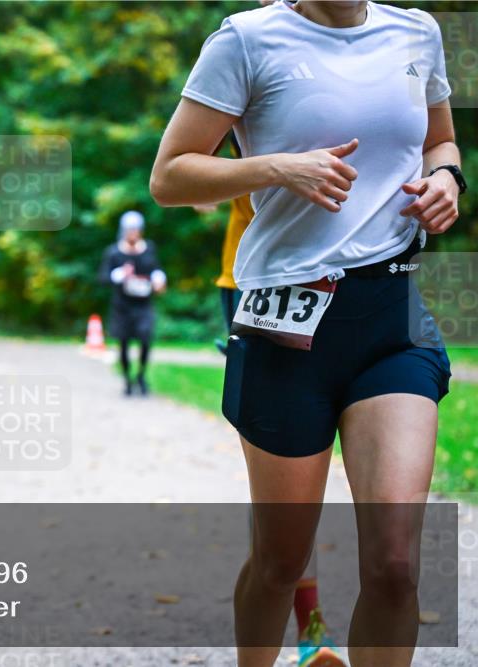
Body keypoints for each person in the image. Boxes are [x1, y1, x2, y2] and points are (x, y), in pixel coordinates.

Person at [151, 1, 462, 666]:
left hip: (391, 316)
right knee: (281, 560)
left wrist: (446, 177)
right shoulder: (247, 39)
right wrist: (277, 167)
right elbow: (169, 176)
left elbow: (441, 140)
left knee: (396, 563)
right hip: (285, 325)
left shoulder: (416, 31)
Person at [206, 131, 346, 667]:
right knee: (283, 471)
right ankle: (308, 625)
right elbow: (188, 184)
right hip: (257, 283)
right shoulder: (241, 93)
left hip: (358, 279)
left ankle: (293, 606)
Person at [99, 210, 167, 396]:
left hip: (144, 304)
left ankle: (141, 376)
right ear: (123, 230)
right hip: (122, 306)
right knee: (123, 343)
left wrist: (159, 280)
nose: (133, 233)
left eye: (136, 229)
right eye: (130, 229)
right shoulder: (114, 252)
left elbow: (156, 269)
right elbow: (103, 278)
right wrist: (121, 274)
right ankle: (127, 380)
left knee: (145, 338)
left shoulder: (148, 248)